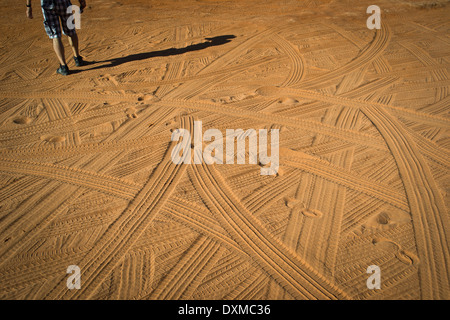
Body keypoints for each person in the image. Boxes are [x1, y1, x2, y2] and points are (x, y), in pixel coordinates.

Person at [26, 0, 87, 75]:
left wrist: (28, 6)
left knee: (55, 35)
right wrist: (81, 1)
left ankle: (64, 67)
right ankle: (77, 59)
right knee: (70, 30)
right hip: (63, 2)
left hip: (48, 4)